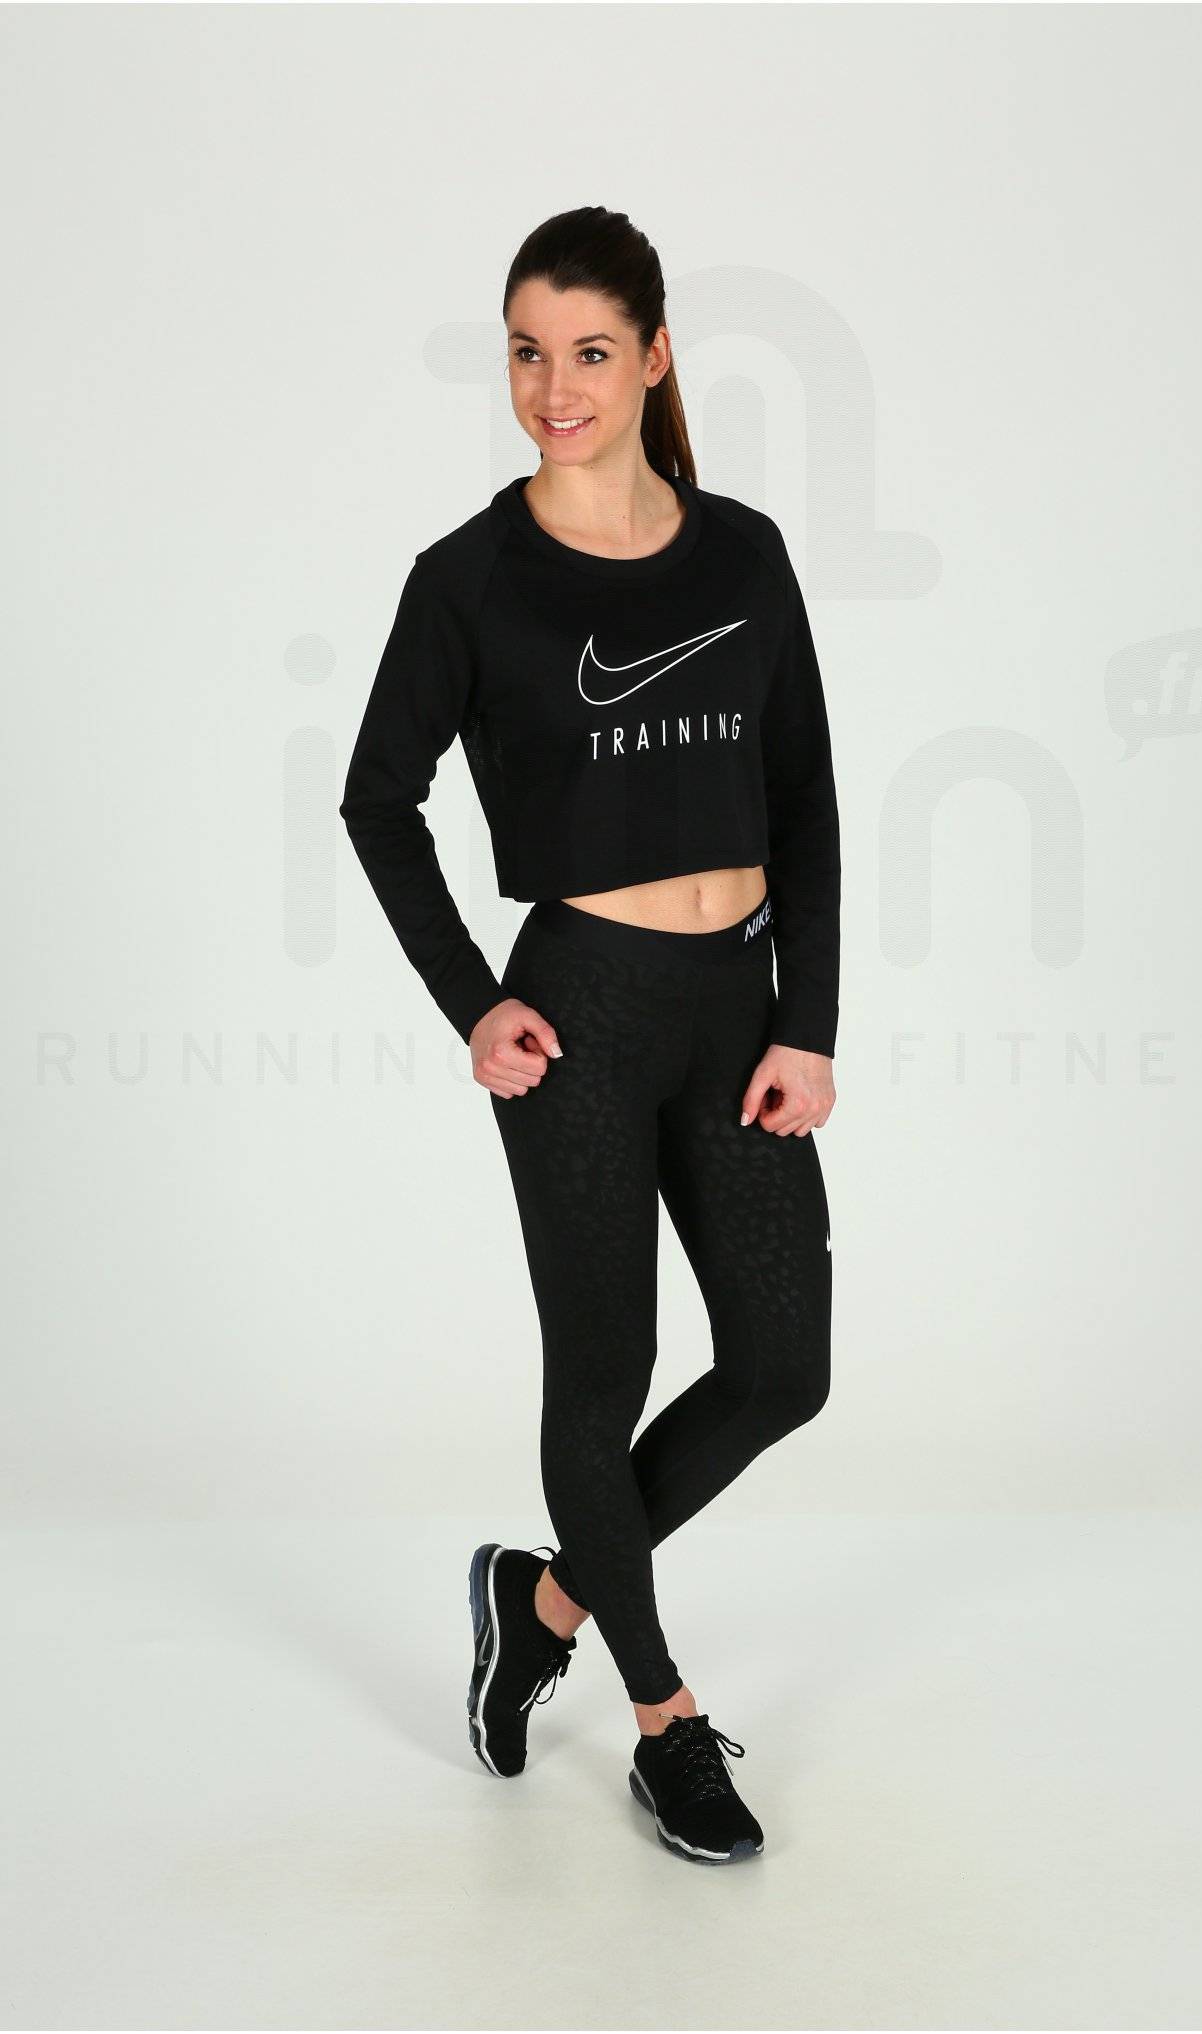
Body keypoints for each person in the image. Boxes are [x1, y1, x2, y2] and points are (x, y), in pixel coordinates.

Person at [339, 206, 839, 1867]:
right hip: (585, 1015)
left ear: (658, 354)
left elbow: (805, 800)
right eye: (527, 352)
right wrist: (473, 999)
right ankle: (663, 1718)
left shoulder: (745, 554)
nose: (555, 388)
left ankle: (540, 1599)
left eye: (592, 352)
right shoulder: (470, 580)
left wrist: (811, 1020)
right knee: (603, 1371)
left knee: (782, 1367)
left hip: (738, 1008)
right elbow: (378, 800)